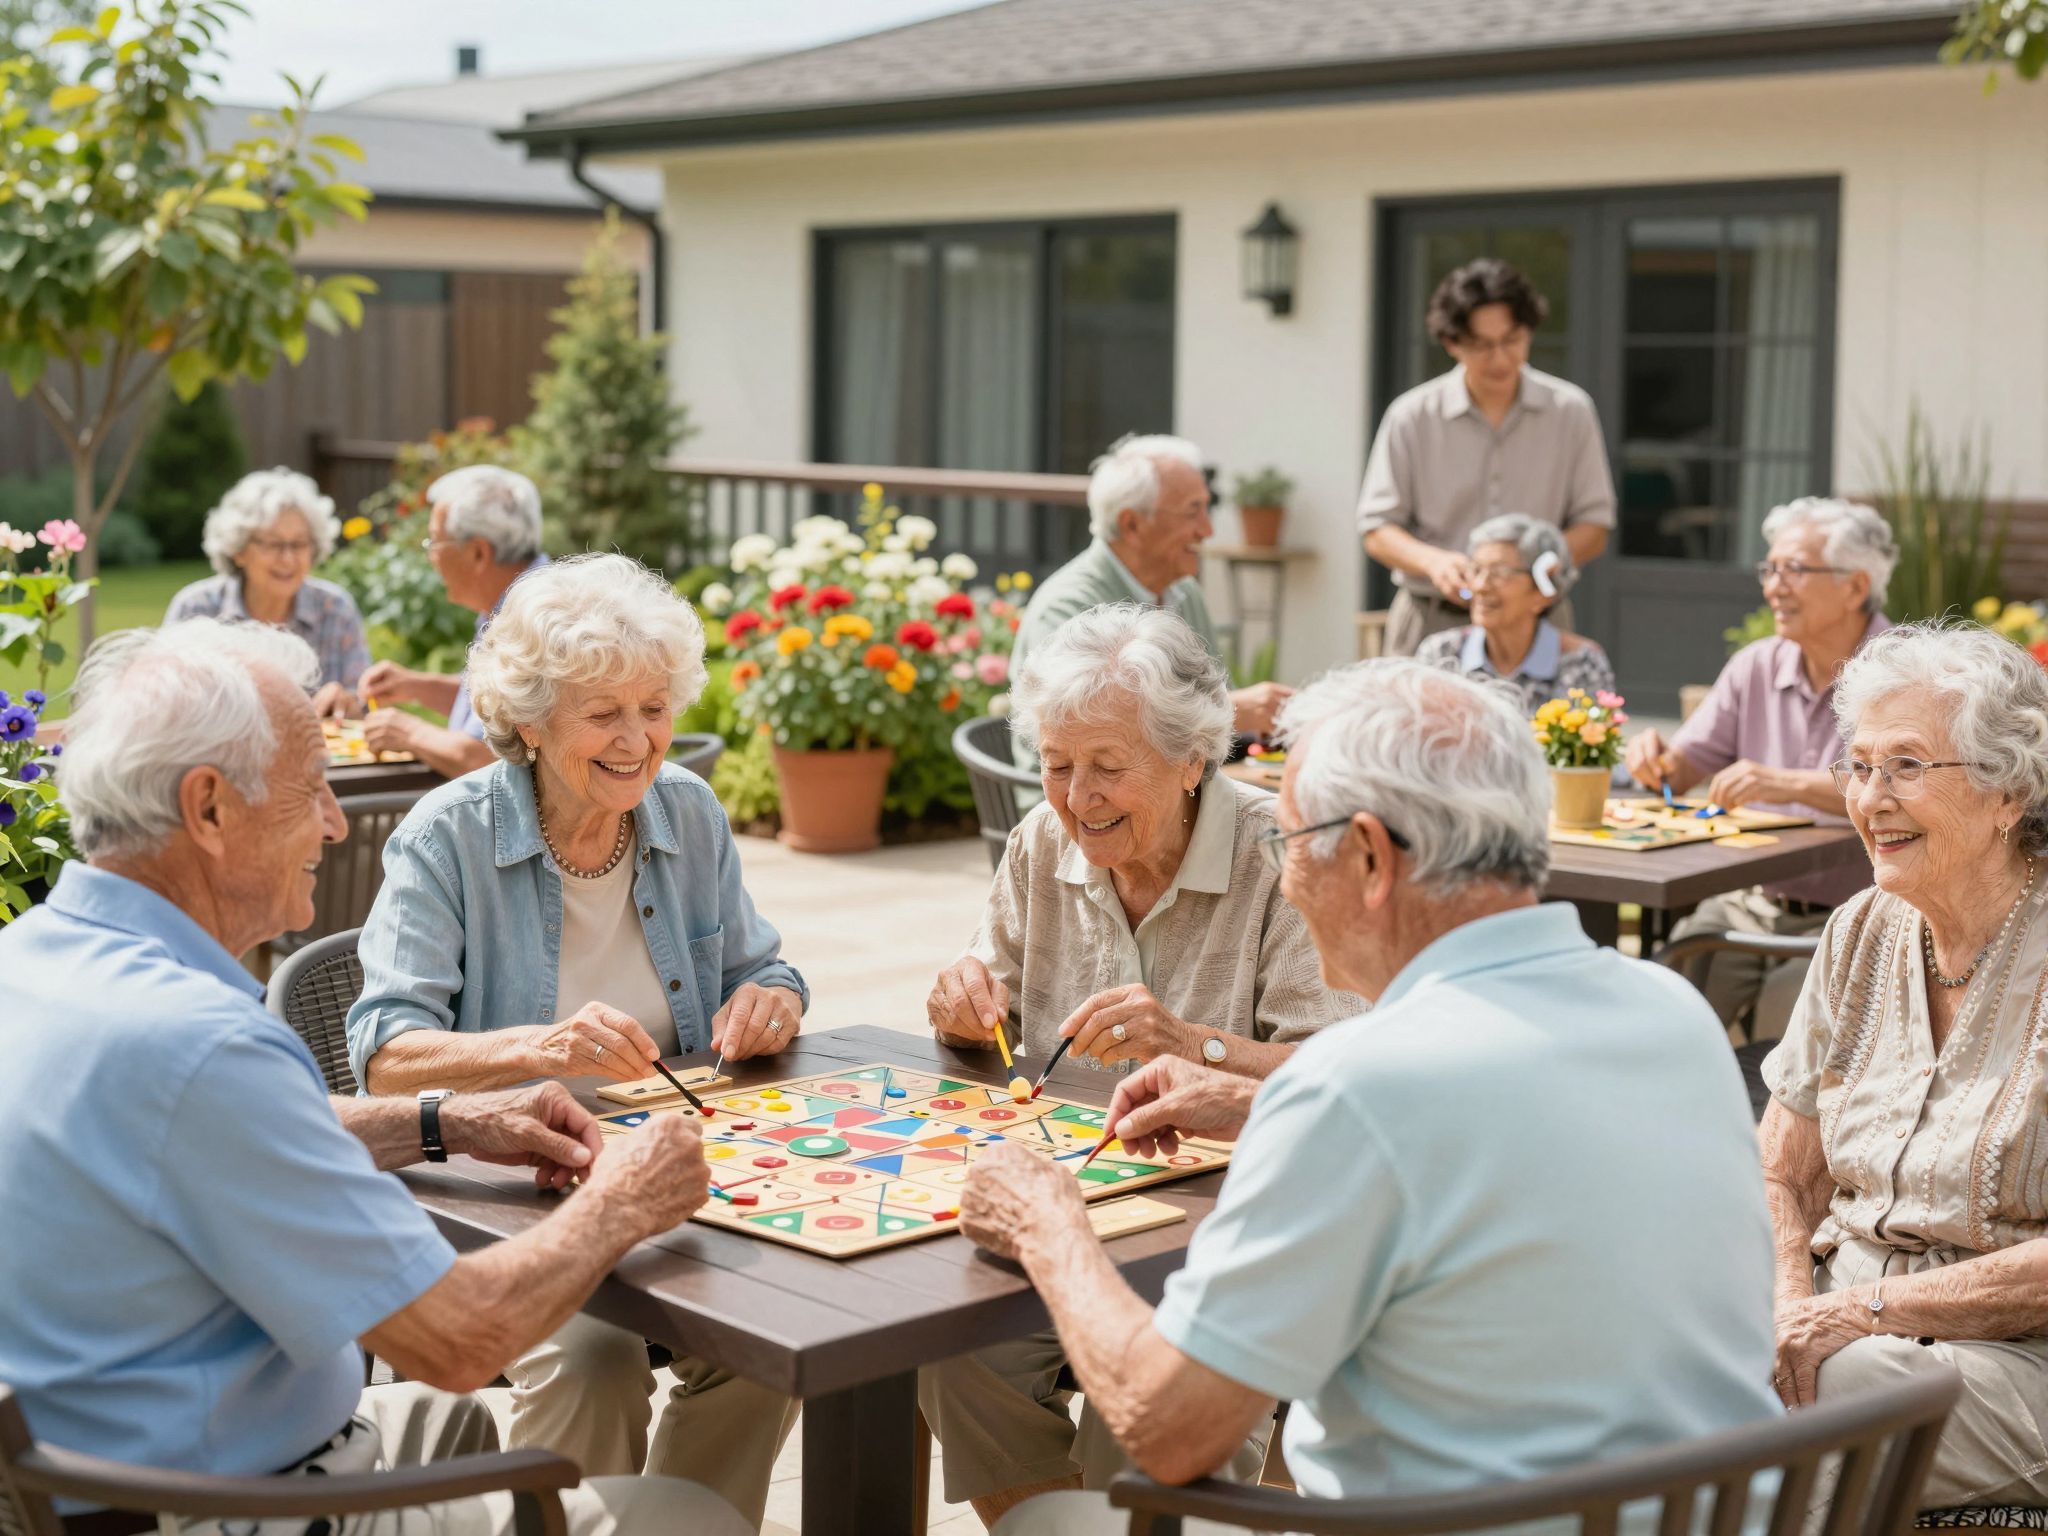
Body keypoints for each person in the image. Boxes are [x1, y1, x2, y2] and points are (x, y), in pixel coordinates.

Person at [959, 658, 1780, 1535]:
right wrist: (1258, 1102)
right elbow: (1481, 1124)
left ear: (1369, 857)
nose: (1279, 878)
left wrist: (1048, 1224)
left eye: (1289, 843)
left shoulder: (1359, 1086)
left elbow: (1166, 1430)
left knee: (1047, 1523)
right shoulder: (1676, 1012)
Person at [0, 617, 750, 1536]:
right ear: (207, 809)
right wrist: (624, 1199)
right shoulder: (202, 1046)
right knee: (682, 1516)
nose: (333, 817)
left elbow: (214, 1138)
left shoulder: (30, 960)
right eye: (308, 788)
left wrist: (447, 1122)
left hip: (101, 1464)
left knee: (456, 1429)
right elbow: (460, 1339)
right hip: (221, 1503)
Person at [346, 552, 805, 1527]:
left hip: (673, 1176)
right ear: (530, 719)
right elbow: (385, 1051)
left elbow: (765, 968)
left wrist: (771, 1001)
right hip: (514, 1196)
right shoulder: (448, 835)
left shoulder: (687, 809)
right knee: (594, 1357)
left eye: (653, 706)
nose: (637, 740)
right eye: (604, 714)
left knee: (766, 1348)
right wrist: (540, 1049)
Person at [920, 604, 1360, 1525]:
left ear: (1193, 758)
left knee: (1142, 1424)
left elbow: (1339, 1078)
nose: (1078, 798)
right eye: (1055, 765)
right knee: (951, 1353)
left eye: (1108, 768)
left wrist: (1192, 1044)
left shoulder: (1276, 856)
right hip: (1067, 1202)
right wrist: (958, 1006)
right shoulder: (1042, 843)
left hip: (1217, 1236)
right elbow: (983, 1020)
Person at [1762, 622, 2048, 1516]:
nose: (1870, 798)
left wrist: (1855, 1319)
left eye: (1908, 767)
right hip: (1834, 1318)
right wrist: (1788, 1305)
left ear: (2007, 792)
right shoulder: (1859, 931)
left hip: (2014, 1360)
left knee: (1828, 1408)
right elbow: (1782, 1170)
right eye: (1858, 766)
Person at [1628, 496, 1895, 1038]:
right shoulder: (1756, 664)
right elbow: (1678, 773)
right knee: (1656, 1005)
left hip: (1859, 911)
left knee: (1786, 1030)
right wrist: (1654, 758)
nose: (1774, 585)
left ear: (1855, 587)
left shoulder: (1901, 670)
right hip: (1749, 902)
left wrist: (1778, 781)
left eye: (1794, 569)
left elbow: (1895, 783)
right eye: (1769, 569)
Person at [1358, 258, 1615, 657]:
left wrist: (1533, 569)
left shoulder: (1570, 411)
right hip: (1431, 619)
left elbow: (1595, 525)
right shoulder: (1412, 416)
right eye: (1481, 345)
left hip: (1536, 623)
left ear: (1529, 331)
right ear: (1452, 343)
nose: (1499, 358)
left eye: (1511, 339)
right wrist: (1434, 563)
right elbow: (1377, 529)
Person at [1011, 435, 1292, 753]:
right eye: (1192, 511)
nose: (1207, 530)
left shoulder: (1183, 591)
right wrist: (1236, 709)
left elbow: (1216, 695)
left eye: (1206, 508)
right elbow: (1089, 732)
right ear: (1132, 525)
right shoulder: (1069, 604)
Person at [355, 465, 548, 779]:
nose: (431, 557)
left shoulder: (534, 617)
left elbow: (481, 757)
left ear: (477, 553)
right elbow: (498, 709)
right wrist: (414, 686)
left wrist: (406, 731)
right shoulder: (516, 598)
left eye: (435, 543)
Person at [163, 467, 370, 717]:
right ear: (238, 550)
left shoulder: (335, 608)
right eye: (273, 544)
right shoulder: (196, 609)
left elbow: (364, 706)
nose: (288, 558)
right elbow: (167, 703)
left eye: (299, 544)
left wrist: (347, 702)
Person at [1414, 513, 1614, 716]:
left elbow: (1590, 742)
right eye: (1476, 570)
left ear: (1543, 592)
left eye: (1500, 572)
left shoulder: (1580, 663)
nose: (1481, 586)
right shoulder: (1442, 654)